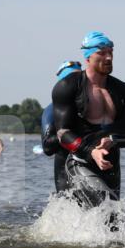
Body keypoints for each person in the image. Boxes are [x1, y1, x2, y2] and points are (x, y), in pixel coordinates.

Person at [52, 31, 125, 208]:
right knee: (104, 207)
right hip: (81, 158)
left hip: (111, 162)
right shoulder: (68, 86)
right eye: (101, 52)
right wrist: (91, 151)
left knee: (112, 219)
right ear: (87, 56)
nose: (108, 57)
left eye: (110, 52)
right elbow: (62, 133)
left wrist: (112, 140)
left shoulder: (122, 89)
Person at [42, 61, 82, 193]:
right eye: (72, 79)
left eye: (80, 78)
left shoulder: (93, 104)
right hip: (65, 174)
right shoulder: (51, 110)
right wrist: (71, 136)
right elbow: (47, 147)